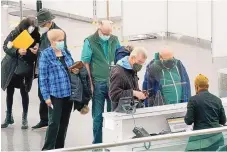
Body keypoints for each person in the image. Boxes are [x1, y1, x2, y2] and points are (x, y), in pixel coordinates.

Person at [81, 20, 121, 144]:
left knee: (112, 114)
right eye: (105, 33)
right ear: (99, 29)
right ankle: (97, 144)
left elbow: (120, 57)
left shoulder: (114, 39)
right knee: (98, 116)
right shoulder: (89, 41)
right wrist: (90, 84)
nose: (107, 36)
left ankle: (111, 141)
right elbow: (85, 63)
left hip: (113, 83)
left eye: (109, 33)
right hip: (98, 83)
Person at [32, 8, 69, 129]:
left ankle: (53, 119)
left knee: (52, 96)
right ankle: (44, 119)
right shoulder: (44, 35)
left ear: (47, 21)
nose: (42, 26)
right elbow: (43, 48)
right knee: (42, 94)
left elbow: (61, 51)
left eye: (42, 24)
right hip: (43, 67)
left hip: (53, 69)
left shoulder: (59, 33)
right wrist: (37, 51)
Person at [1, 17, 40, 129]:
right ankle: (8, 116)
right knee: (9, 92)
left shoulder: (36, 36)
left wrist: (35, 49)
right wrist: (17, 51)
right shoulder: (14, 33)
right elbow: (5, 46)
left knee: (24, 92)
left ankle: (24, 117)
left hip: (25, 68)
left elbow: (37, 51)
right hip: (11, 68)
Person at [39, 29, 74, 150]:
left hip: (68, 94)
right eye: (59, 40)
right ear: (52, 41)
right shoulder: (45, 55)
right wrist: (46, 97)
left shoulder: (66, 52)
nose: (62, 42)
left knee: (64, 123)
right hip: (55, 95)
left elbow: (72, 67)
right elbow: (42, 78)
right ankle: (48, 148)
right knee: (54, 124)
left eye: (63, 40)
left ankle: (60, 148)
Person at [184, 74, 226, 151]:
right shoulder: (217, 100)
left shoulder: (193, 100)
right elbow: (223, 121)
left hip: (201, 140)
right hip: (217, 139)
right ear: (207, 86)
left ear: (196, 86)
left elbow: (189, 121)